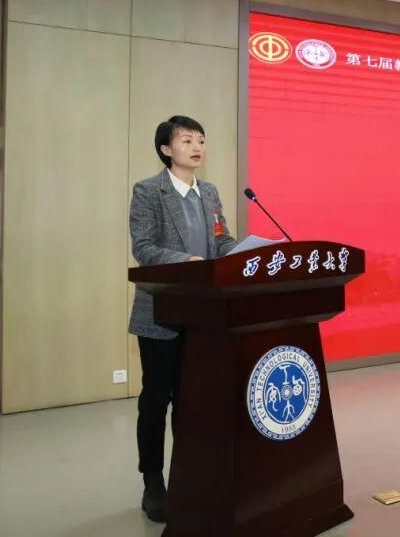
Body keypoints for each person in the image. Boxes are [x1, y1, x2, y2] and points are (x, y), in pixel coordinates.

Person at [128, 115, 237, 523]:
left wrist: (245, 251)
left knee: (194, 400)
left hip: (203, 315)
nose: (197, 147)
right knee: (156, 400)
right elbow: (144, 247)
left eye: (201, 140)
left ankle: (191, 475)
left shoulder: (209, 192)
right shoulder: (148, 191)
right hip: (161, 312)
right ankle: (153, 483)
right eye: (187, 140)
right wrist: (185, 261)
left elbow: (221, 240)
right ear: (166, 149)